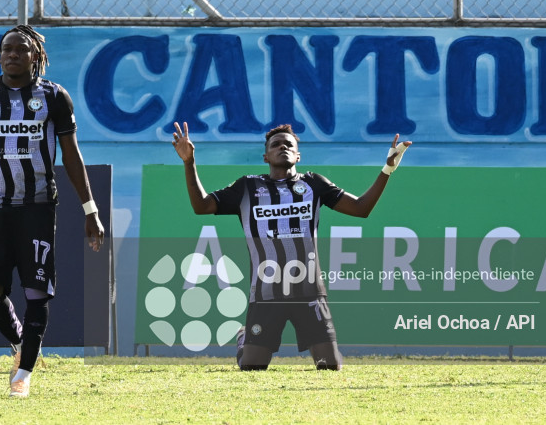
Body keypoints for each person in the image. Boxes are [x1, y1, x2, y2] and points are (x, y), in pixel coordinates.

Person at [172, 121, 410, 371]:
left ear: (298, 155)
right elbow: (201, 206)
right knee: (253, 368)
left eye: (289, 144)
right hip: (266, 294)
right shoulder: (247, 187)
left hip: (308, 292)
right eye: (276, 144)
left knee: (329, 366)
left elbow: (361, 209)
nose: (282, 147)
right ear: (266, 156)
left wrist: (387, 170)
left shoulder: (314, 184)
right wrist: (189, 162)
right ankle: (245, 340)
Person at [0, 25, 104, 398]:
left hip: (37, 206)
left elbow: (71, 156)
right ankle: (20, 342)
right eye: (6, 49)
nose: (12, 54)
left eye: (20, 49)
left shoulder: (54, 96)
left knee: (36, 290)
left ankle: (24, 376)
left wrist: (90, 210)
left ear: (35, 56)